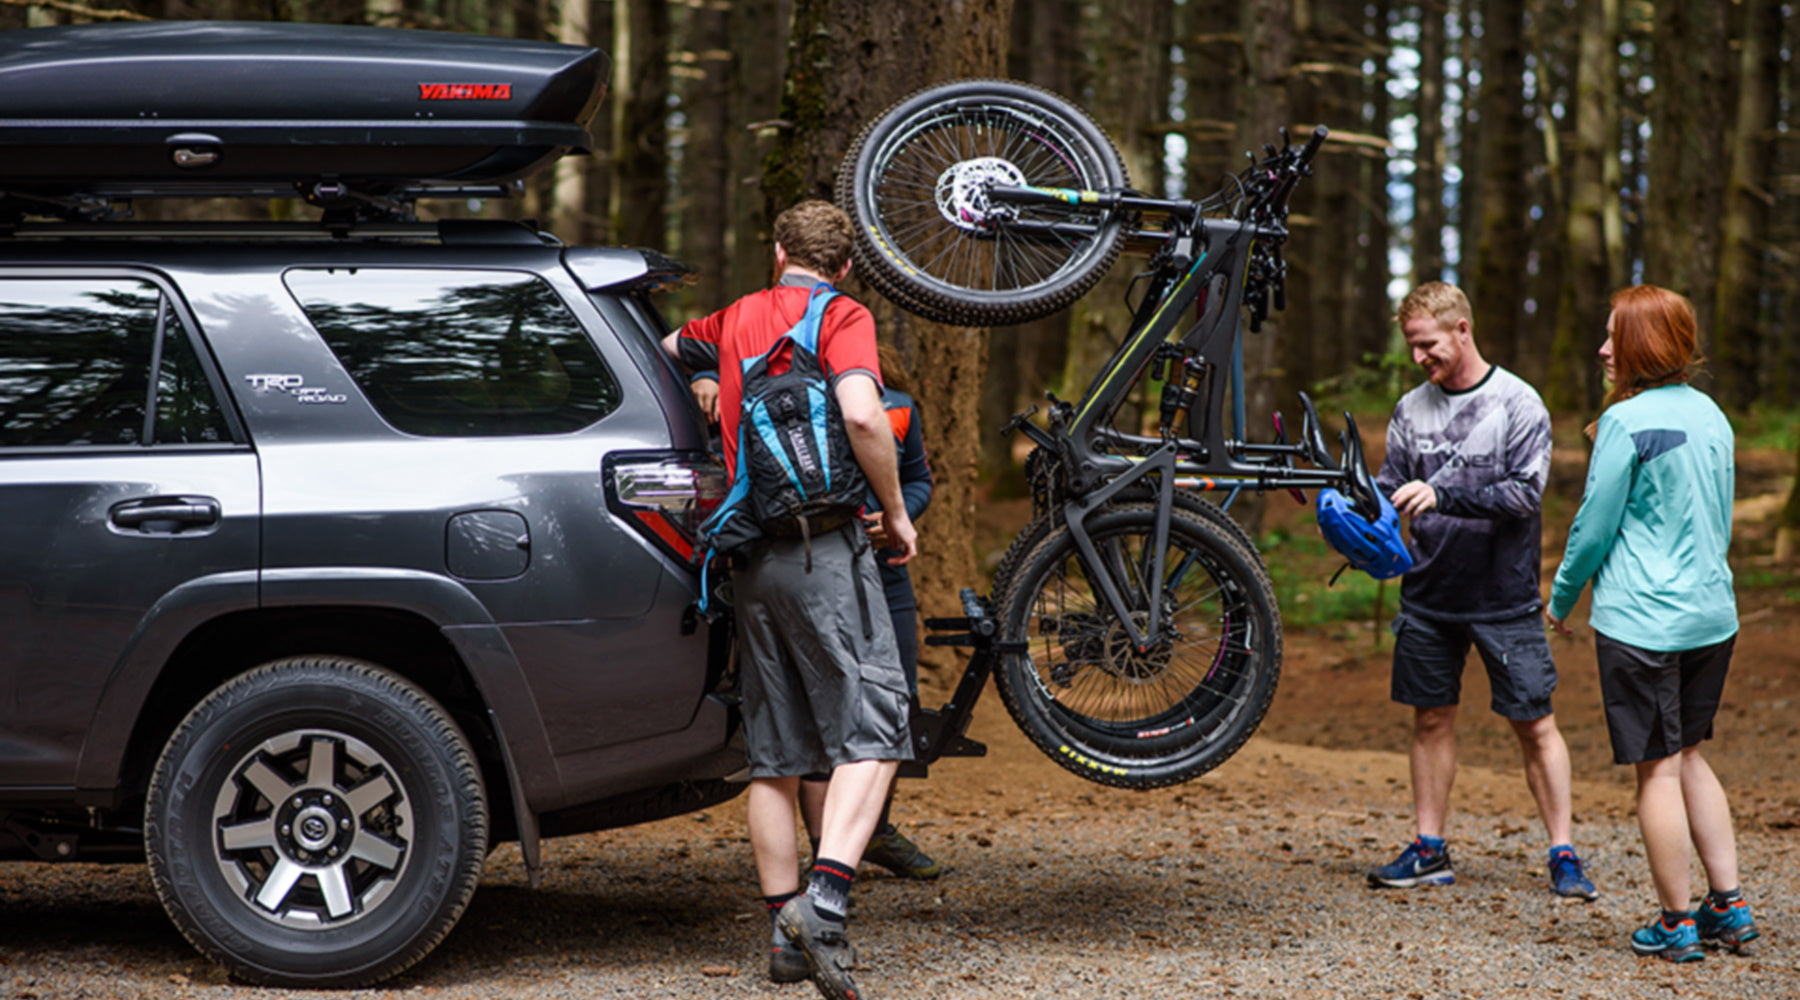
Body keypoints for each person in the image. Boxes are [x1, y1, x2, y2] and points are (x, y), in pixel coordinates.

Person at [664, 200, 916, 1000]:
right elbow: (861, 414)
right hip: (825, 549)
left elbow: (668, 346)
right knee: (876, 730)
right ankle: (827, 902)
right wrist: (898, 513)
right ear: (843, 266)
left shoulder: (736, 316)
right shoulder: (843, 315)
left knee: (777, 757)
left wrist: (706, 373)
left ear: (778, 253)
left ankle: (783, 938)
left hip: (750, 556)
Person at [1365, 281, 1597, 900]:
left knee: (1534, 724)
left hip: (1505, 596)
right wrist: (1358, 512)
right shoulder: (1411, 408)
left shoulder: (1518, 403)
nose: (1420, 359)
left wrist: (1442, 494)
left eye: (1428, 345)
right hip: (1429, 594)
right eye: (1412, 347)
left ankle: (1563, 852)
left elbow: (1525, 495)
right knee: (1431, 720)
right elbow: (1392, 483)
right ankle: (1429, 849)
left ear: (1462, 330)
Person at [1546, 285, 1756, 962]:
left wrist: (1560, 597)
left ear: (1644, 345)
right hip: (1712, 616)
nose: (1604, 350)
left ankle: (1675, 923)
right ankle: (1729, 906)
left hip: (1643, 622)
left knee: (1657, 770)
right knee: (1690, 752)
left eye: (1614, 337)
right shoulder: (1714, 416)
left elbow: (1594, 527)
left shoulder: (1626, 423)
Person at [797, 345, 942, 881]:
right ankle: (828, 854)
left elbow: (920, 480)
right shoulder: (806, 405)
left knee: (896, 702)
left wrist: (897, 515)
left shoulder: (900, 407)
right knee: (823, 706)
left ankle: (875, 830)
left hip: (888, 578)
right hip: (821, 574)